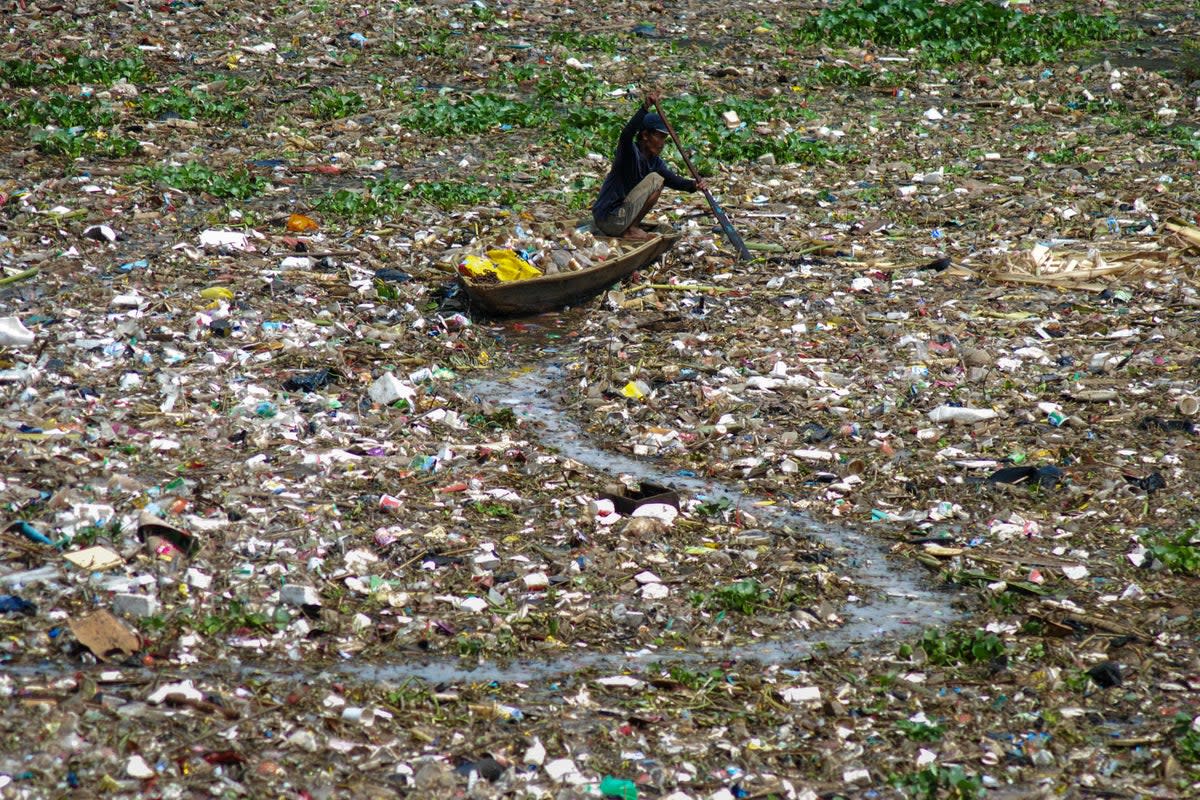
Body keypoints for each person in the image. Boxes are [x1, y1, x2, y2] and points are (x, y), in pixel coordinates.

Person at [591, 91, 707, 241]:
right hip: (608, 218)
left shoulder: (655, 162)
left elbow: (673, 180)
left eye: (665, 139)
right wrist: (645, 107)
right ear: (645, 136)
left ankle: (630, 227)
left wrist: (695, 185)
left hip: (620, 218)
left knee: (660, 178)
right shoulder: (629, 154)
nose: (662, 143)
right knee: (655, 180)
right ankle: (631, 229)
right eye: (659, 137)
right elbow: (626, 135)